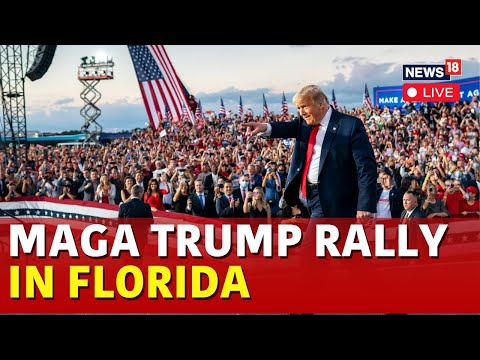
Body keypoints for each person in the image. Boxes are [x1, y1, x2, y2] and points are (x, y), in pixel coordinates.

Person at [242, 84, 377, 218]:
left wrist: (365, 204)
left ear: (321, 104)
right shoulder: (305, 122)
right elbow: (287, 127)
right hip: (305, 198)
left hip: (331, 200)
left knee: (311, 240)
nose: (301, 112)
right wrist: (265, 127)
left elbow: (366, 167)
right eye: (299, 108)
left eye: (304, 106)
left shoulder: (350, 125)